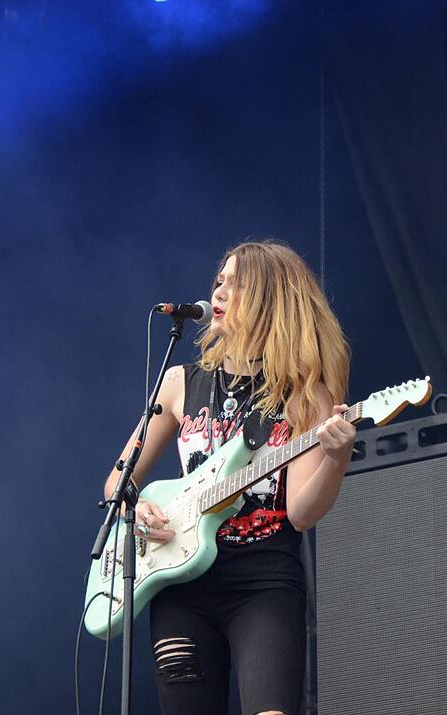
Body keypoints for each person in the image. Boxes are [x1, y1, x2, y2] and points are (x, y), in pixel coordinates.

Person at [102, 240, 354, 715]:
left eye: (236, 284)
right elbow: (117, 481)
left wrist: (335, 459)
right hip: (180, 586)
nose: (218, 291)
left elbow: (299, 514)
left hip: (264, 583)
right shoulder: (181, 382)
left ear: (269, 301)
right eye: (220, 280)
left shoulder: (305, 398)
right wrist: (139, 510)